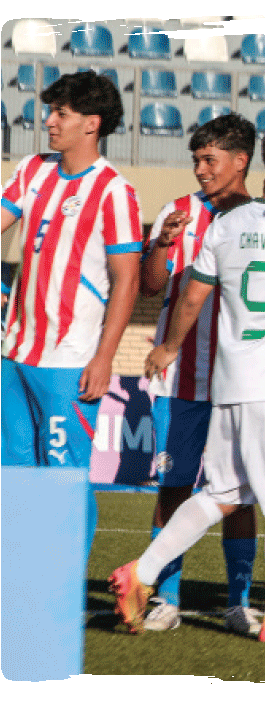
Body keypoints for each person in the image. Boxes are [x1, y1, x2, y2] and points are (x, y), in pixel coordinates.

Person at [111, 122, 265, 644]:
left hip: (228, 384)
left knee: (221, 491)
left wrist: (170, 345)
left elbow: (192, 294)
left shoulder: (226, 224)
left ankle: (140, 575)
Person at [0, 71, 141, 564]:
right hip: (14, 352)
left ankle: (61, 586)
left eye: (61, 112)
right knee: (15, 473)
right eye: (51, 110)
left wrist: (104, 358)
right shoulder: (34, 169)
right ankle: (20, 578)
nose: (48, 121)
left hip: (69, 360)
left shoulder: (113, 192)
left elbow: (128, 279)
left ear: (91, 124)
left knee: (62, 476)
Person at [138, 113, 263, 635]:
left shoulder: (263, 217)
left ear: (240, 161)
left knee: (237, 493)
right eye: (196, 160)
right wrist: (163, 245)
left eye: (210, 160)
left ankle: (237, 601)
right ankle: (166, 598)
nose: (201, 169)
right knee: (174, 486)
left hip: (239, 381)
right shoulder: (179, 212)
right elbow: (150, 286)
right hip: (184, 380)